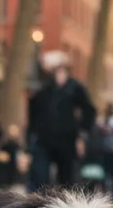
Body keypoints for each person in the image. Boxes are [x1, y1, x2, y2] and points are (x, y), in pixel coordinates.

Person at [28, 55, 96, 189]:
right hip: (44, 140)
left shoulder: (75, 88)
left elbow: (89, 111)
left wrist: (82, 135)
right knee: (40, 175)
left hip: (67, 140)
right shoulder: (45, 88)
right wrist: (32, 135)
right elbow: (33, 112)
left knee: (67, 178)